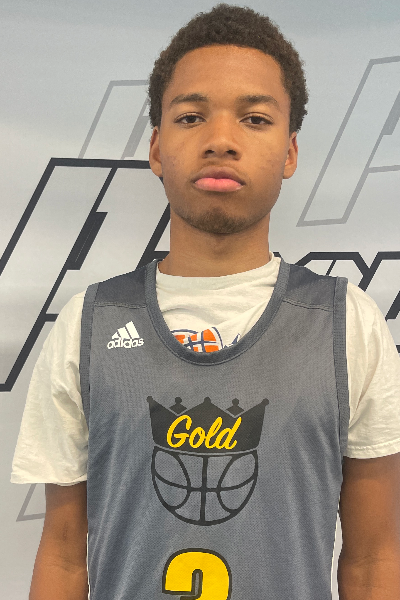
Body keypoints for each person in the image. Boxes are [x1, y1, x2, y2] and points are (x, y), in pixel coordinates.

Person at [11, 4, 400, 599]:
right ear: (157, 148)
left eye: (255, 119)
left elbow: (373, 559)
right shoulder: (89, 324)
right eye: (191, 117)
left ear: (290, 152)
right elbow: (63, 558)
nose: (221, 140)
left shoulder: (347, 323)